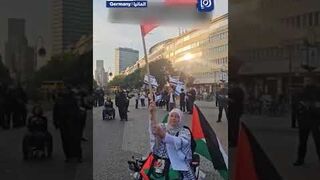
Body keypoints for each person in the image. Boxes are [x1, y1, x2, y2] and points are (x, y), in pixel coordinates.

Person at [148, 102, 196, 180]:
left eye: (177, 117)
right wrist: (152, 114)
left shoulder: (184, 131)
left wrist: (164, 136)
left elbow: (182, 142)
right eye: (172, 116)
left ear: (180, 119)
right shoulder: (163, 126)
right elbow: (154, 129)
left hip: (175, 161)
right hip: (158, 159)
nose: (173, 118)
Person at [293, 77, 320, 166]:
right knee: (303, 142)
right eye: (306, 80)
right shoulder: (302, 92)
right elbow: (297, 105)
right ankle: (300, 159)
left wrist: (308, 106)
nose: (307, 82)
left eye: (309, 80)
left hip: (312, 119)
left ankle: (300, 160)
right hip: (307, 120)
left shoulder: (317, 91)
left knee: (316, 141)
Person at [53, 88, 83, 162]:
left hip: (69, 123)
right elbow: (56, 113)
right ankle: (73, 156)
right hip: (68, 123)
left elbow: (55, 113)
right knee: (71, 140)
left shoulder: (64, 101)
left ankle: (72, 156)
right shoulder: (70, 100)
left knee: (70, 140)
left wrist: (56, 123)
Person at [228, 82, 244, 148]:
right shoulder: (238, 90)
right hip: (236, 110)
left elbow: (237, 100)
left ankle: (234, 141)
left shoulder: (236, 91)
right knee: (233, 126)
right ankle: (233, 140)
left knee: (234, 126)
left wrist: (230, 100)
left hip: (234, 110)